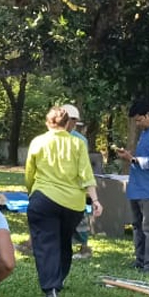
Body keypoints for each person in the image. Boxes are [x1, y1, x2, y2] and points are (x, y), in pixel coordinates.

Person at [25, 106, 102, 297]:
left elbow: (29, 171)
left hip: (44, 197)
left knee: (45, 242)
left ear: (47, 122)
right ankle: (60, 278)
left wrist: (31, 191)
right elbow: (86, 175)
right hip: (72, 203)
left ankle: (51, 288)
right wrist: (95, 200)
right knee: (63, 240)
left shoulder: (38, 142)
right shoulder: (78, 144)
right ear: (68, 123)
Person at [114, 98, 149, 274]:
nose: (137, 124)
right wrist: (130, 156)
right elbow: (141, 159)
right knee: (137, 226)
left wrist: (131, 159)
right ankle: (140, 260)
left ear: (148, 115)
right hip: (137, 186)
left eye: (139, 120)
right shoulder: (146, 132)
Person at [60, 104, 94, 260]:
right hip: (57, 184)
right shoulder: (51, 137)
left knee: (80, 218)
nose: (71, 124)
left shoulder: (80, 140)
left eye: (74, 121)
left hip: (75, 185)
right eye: (69, 120)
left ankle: (84, 248)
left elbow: (84, 166)